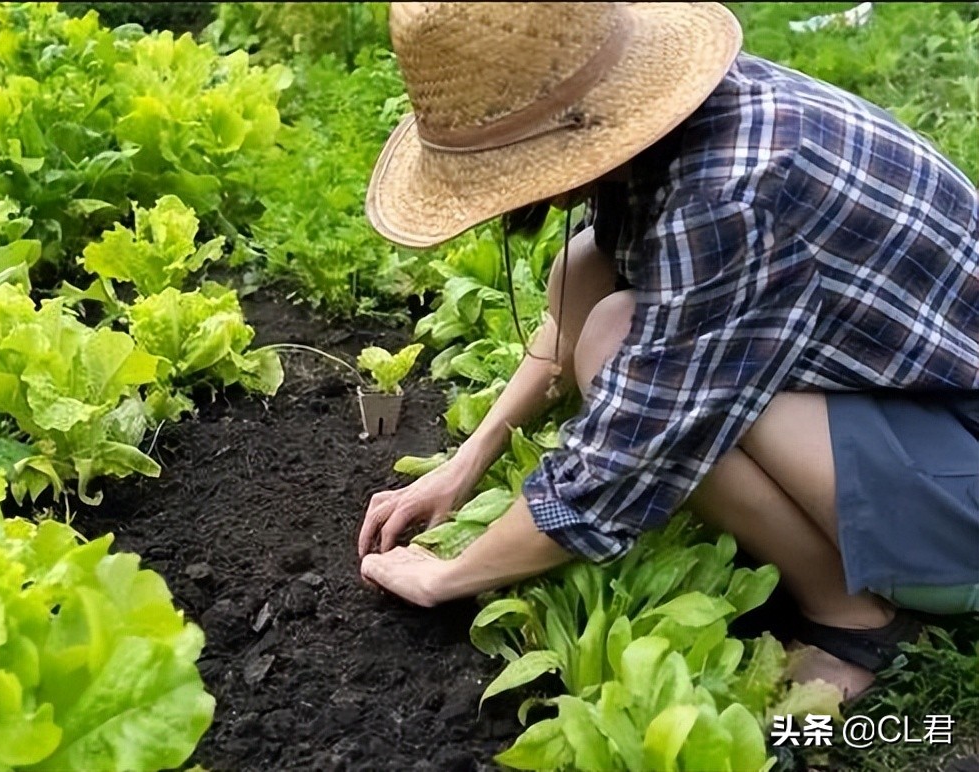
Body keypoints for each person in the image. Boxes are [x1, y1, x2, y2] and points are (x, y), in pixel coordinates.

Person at [357, 2, 979, 700]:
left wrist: (449, 576)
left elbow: (631, 448)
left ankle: (852, 620)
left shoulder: (729, 194)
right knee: (585, 268)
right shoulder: (668, 127)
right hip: (919, 422)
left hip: (965, 501)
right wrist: (465, 464)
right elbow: (570, 332)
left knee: (617, 340)